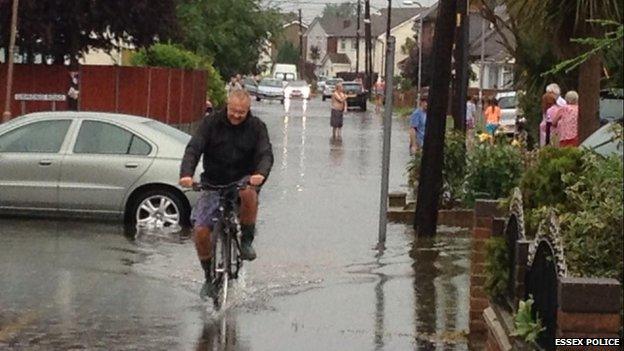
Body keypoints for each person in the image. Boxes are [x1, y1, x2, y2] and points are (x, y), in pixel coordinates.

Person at [179, 90, 274, 298]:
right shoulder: (210, 124)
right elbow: (194, 148)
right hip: (213, 182)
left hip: (242, 180)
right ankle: (208, 276)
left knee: (249, 194)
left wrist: (260, 174)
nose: (237, 115)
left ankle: (246, 240)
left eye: (242, 112)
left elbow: (265, 154)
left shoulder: (257, 127)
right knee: (201, 231)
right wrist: (186, 173)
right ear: (226, 106)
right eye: (233, 111)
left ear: (248, 110)